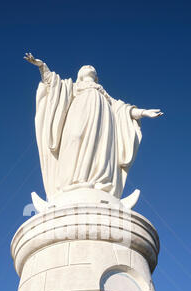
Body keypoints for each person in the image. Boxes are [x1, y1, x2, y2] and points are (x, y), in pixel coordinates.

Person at [24, 53, 162, 202]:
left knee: (100, 148)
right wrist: (42, 66)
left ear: (96, 77)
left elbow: (122, 110)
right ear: (80, 75)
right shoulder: (73, 88)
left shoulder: (104, 95)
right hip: (78, 113)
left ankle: (98, 182)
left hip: (102, 122)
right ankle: (72, 181)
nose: (89, 66)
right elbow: (53, 82)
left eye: (92, 68)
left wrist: (143, 112)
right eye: (85, 67)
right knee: (74, 138)